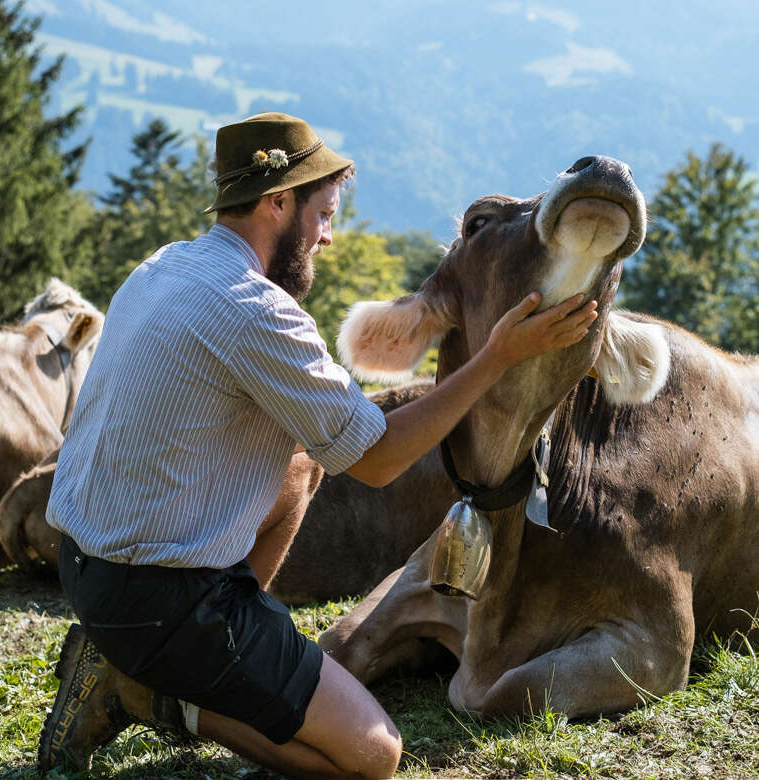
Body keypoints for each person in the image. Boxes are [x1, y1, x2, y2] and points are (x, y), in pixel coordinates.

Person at [39, 112, 598, 779]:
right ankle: (152, 694)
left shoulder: (162, 266)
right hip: (159, 602)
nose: (328, 237)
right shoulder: (256, 310)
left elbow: (332, 441)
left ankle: (202, 655)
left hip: (84, 564)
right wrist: (498, 357)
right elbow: (382, 459)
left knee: (304, 463)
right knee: (373, 757)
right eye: (324, 215)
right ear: (279, 203)